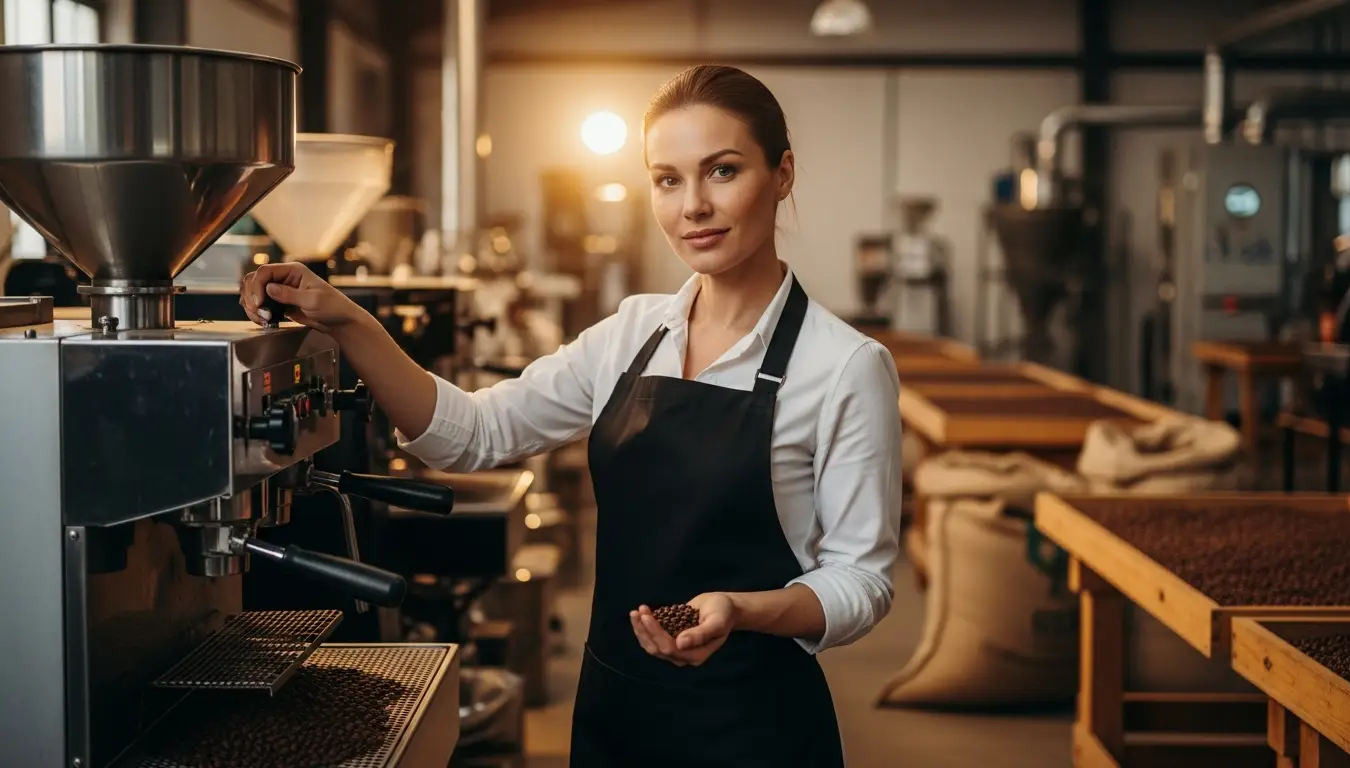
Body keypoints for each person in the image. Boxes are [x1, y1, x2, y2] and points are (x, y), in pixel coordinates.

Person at [241, 64, 902, 767]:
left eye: (723, 171)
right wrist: (346, 320)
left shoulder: (844, 366)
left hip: (753, 725)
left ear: (783, 174)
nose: (694, 206)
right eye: (668, 179)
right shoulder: (632, 333)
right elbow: (470, 435)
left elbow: (861, 580)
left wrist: (744, 609)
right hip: (615, 712)